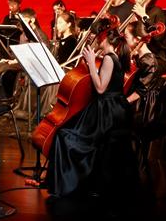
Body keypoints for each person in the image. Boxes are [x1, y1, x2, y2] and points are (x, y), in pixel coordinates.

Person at [45, 20, 134, 198]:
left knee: (65, 136)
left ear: (103, 38)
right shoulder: (113, 57)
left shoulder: (108, 58)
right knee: (68, 134)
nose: (94, 39)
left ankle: (69, 185)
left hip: (107, 112)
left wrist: (92, 63)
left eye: (96, 36)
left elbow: (100, 88)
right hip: (111, 108)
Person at [130, 0, 166, 64]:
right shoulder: (136, 13)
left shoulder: (157, 12)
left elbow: (158, 38)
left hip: (156, 58)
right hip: (140, 56)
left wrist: (144, 16)